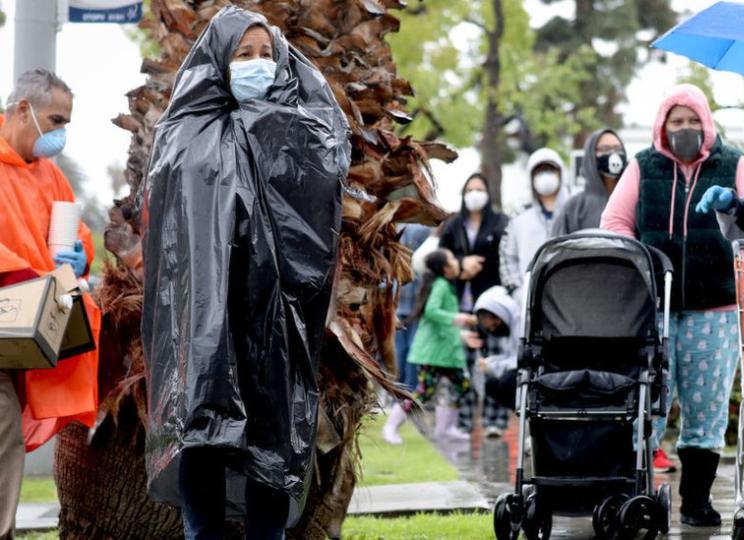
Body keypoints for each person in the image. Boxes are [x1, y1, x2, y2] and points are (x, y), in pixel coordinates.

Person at [139, 8, 351, 539]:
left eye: (266, 55)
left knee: (272, 432)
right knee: (202, 429)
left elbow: (316, 224)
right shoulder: (184, 135)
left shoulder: (297, 134)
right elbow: (171, 241)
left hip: (274, 319)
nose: (258, 64)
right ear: (219, 61)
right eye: (244, 55)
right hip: (204, 320)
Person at [601, 84, 744, 527]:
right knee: (647, 405)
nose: (685, 128)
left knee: (706, 407)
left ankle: (696, 501)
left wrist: (735, 208)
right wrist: (641, 267)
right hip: (654, 309)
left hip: (716, 307)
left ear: (706, 123)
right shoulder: (643, 166)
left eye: (692, 120)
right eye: (676, 121)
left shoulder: (733, 163)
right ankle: (637, 494)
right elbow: (614, 222)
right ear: (663, 126)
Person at [0, 69, 101, 539]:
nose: (59, 133)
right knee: (4, 439)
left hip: (25, 332)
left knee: (6, 439)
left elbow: (74, 239)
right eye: (54, 119)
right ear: (23, 109)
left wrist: (81, 256)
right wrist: (27, 275)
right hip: (15, 318)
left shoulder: (51, 175)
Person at [382, 250, 478, 445]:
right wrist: (459, 319)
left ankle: (446, 429)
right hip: (434, 353)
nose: (456, 261)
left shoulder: (446, 285)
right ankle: (391, 426)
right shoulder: (441, 285)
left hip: (446, 352)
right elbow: (432, 312)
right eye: (452, 259)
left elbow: (441, 319)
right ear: (445, 268)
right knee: (424, 391)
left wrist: (462, 333)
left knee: (461, 385)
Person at [439, 174, 508, 432]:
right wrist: (460, 266)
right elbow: (440, 260)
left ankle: (495, 420)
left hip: (492, 306)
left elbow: (506, 258)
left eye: (480, 188)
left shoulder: (501, 223)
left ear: (488, 194)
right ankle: (464, 421)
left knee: (494, 363)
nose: (475, 193)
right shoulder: (454, 225)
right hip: (461, 306)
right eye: (470, 189)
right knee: (463, 366)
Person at [500, 148, 567, 302]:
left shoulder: (574, 208)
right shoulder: (519, 214)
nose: (545, 175)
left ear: (561, 173)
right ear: (531, 176)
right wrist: (518, 292)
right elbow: (507, 257)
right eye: (540, 171)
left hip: (569, 296)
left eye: (550, 169)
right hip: (529, 299)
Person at [552, 129, 627, 237]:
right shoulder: (574, 207)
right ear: (591, 155)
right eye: (605, 149)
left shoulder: (634, 202)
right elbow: (557, 249)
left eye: (618, 149)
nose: (613, 155)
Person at [471, 286, 522, 429]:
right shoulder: (507, 324)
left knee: (507, 381)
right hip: (516, 368)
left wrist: (492, 365)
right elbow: (510, 356)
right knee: (491, 384)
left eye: (494, 324)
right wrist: (490, 363)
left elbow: (520, 359)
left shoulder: (520, 320)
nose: (493, 329)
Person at [396, 224, 433, 390]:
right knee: (413, 348)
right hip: (416, 308)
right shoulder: (424, 231)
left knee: (400, 348)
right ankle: (410, 389)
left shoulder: (401, 229)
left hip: (398, 305)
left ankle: (398, 388)